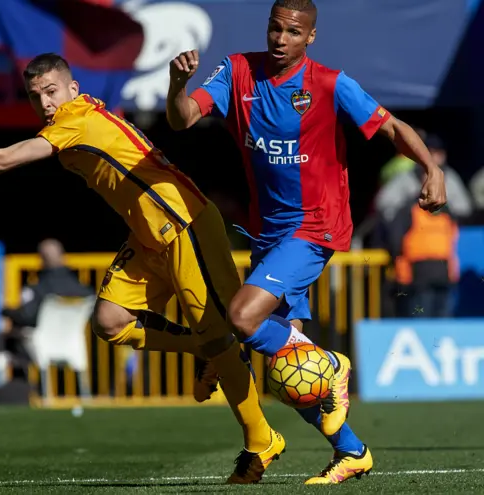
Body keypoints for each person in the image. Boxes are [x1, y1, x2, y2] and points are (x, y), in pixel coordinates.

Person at [0, 53, 278, 484]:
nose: (45, 103)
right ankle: (201, 351)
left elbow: (1, 159)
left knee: (220, 338)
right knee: (109, 322)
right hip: (147, 238)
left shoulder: (76, 119)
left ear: (72, 89)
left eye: (51, 92)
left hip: (185, 225)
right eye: (36, 97)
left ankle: (261, 441)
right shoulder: (75, 118)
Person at [166, 0, 447, 484]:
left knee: (243, 316)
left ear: (310, 37)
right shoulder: (238, 71)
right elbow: (182, 118)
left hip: (315, 225)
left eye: (293, 32)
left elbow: (393, 127)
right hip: (269, 232)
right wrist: (176, 84)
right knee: (288, 373)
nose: (280, 39)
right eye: (275, 28)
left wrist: (433, 168)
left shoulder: (331, 83)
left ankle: (330, 363)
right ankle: (351, 451)